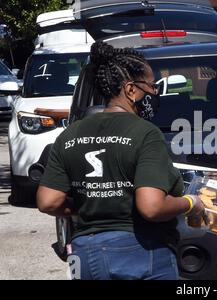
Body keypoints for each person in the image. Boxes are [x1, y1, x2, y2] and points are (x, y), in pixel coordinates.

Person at [36, 42, 204, 280]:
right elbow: (152, 206)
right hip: (142, 250)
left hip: (84, 253)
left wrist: (90, 204)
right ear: (130, 90)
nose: (155, 94)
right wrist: (190, 203)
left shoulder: (70, 134)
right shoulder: (145, 133)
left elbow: (48, 202)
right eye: (152, 87)